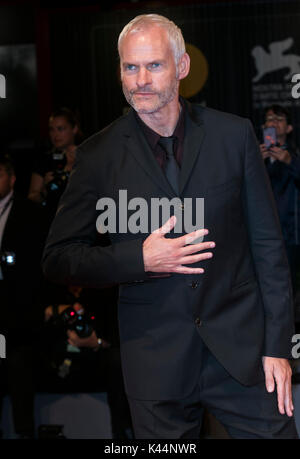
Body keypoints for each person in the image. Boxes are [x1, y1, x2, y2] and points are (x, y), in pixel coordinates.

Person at [42, 14, 298, 439]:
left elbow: (269, 248)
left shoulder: (232, 136)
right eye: (130, 67)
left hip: (241, 354)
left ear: (181, 67)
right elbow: (58, 258)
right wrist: (137, 258)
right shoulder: (98, 155)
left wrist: (277, 347)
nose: (140, 80)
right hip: (155, 361)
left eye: (154, 65)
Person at [0, 154, 46, 438]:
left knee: (20, 390)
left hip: (19, 317)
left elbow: (36, 269)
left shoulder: (30, 214)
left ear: (12, 178)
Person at [259, 105, 300, 297]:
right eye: (269, 119)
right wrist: (253, 163)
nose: (273, 122)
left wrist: (290, 161)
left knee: (291, 288)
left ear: (289, 128)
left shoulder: (296, 155)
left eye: (279, 118)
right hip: (263, 234)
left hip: (291, 234)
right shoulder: (255, 156)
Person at [28, 107, 83, 223]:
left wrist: (72, 166)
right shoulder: (44, 159)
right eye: (51, 130)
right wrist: (44, 189)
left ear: (74, 129)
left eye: (60, 129)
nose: (55, 135)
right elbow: (32, 197)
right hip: (51, 220)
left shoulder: (87, 156)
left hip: (80, 218)